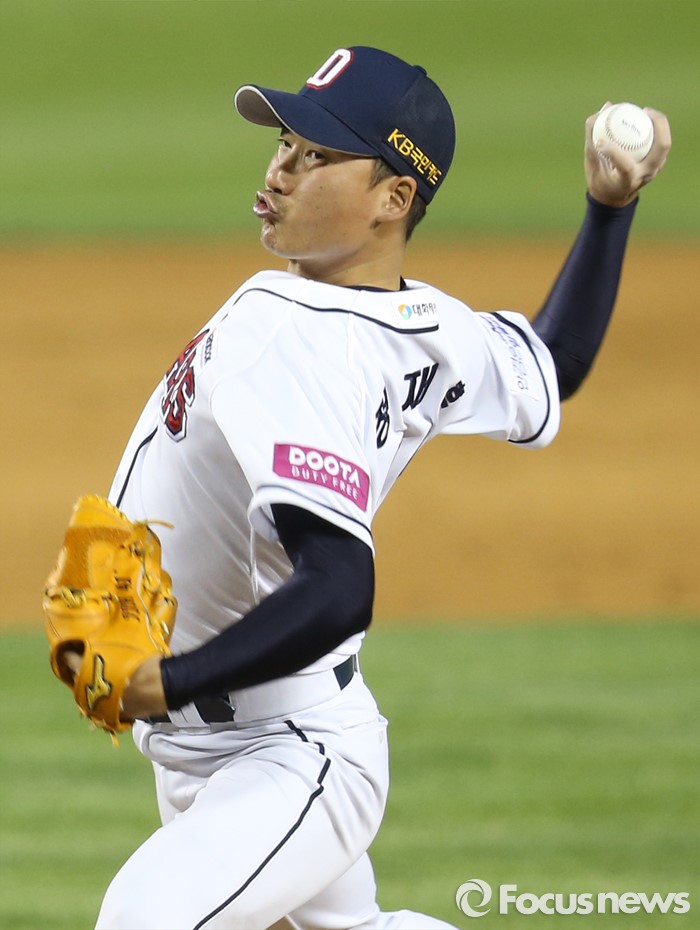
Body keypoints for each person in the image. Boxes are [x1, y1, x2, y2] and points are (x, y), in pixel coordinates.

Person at [83, 46, 670, 930]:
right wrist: (610, 208)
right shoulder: (419, 322)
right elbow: (554, 361)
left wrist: (169, 679)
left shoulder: (298, 339)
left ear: (395, 197)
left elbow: (338, 586)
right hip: (240, 743)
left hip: (286, 752)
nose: (280, 168)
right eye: (284, 143)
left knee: (145, 920)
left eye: (317, 155)